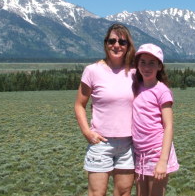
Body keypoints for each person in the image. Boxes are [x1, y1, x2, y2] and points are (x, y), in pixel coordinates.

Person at [75, 23, 137, 196]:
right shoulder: (92, 71)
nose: (116, 45)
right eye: (112, 40)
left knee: (124, 192)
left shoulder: (135, 71)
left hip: (129, 143)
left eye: (122, 42)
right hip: (101, 142)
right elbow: (79, 104)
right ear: (105, 43)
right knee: (97, 193)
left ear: (128, 46)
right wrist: (87, 132)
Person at [132, 43, 179, 196]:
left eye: (152, 63)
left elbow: (169, 126)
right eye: (142, 62)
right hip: (140, 154)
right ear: (137, 65)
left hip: (157, 152)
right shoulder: (136, 86)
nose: (146, 67)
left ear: (160, 66)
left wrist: (163, 161)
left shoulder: (162, 91)